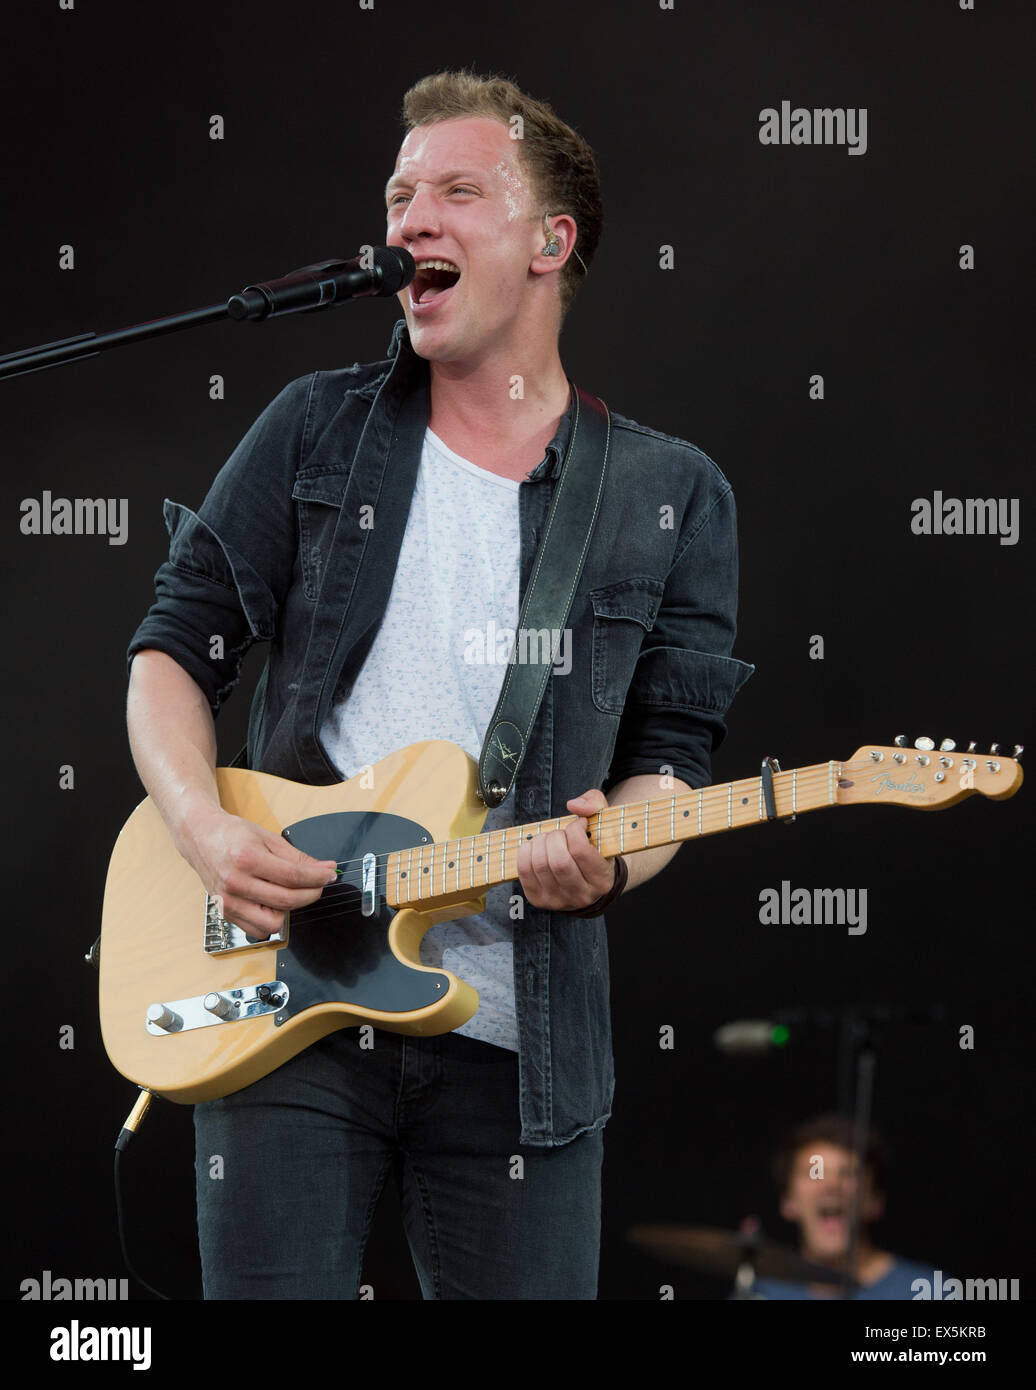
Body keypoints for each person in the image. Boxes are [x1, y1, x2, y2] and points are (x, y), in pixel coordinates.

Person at [125, 70, 753, 1300]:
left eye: (457, 191)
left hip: (522, 1046)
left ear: (548, 242)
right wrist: (201, 829)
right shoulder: (315, 427)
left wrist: (613, 855)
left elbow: (673, 757)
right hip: (284, 1007)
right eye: (399, 194)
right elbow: (170, 649)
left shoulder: (667, 493)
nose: (411, 219)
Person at [754, 1113, 937, 1299]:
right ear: (788, 1201)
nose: (832, 1184)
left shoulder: (929, 1291)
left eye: (848, 1173)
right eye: (815, 1172)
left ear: (875, 1201)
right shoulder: (761, 1294)